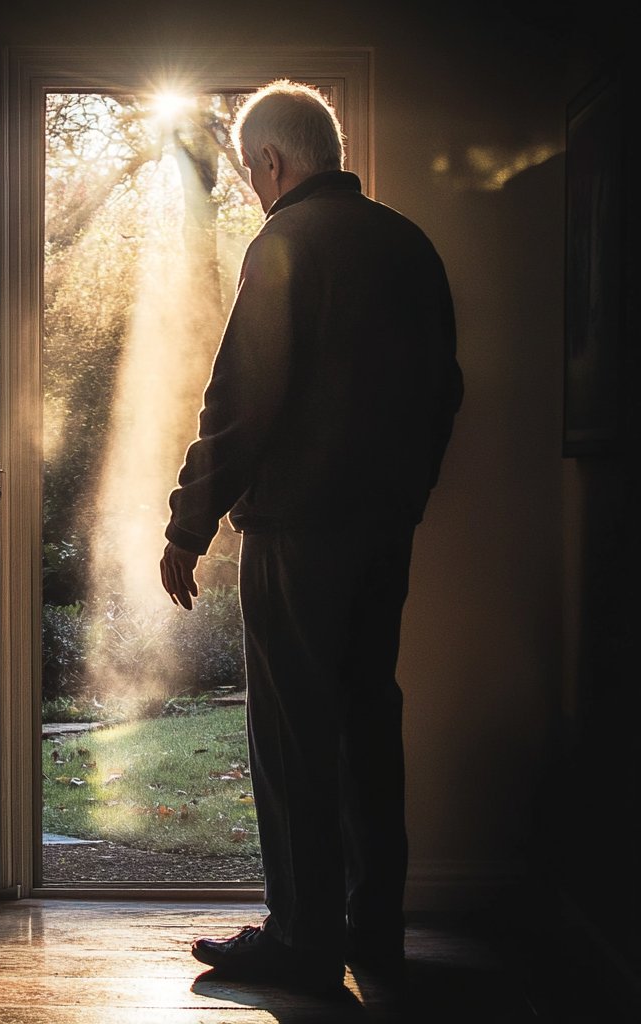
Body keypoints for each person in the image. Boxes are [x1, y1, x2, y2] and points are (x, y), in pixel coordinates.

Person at [159, 80, 463, 996]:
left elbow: (242, 400)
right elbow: (446, 390)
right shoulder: (410, 244)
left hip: (298, 530)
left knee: (294, 735)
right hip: (383, 531)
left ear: (273, 162)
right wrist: (405, 497)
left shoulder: (286, 240)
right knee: (369, 722)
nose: (254, 187)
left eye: (254, 172)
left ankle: (300, 939)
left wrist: (188, 520)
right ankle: (374, 930)